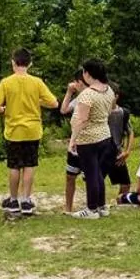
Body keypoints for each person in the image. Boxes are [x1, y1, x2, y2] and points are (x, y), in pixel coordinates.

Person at [0, 48, 58, 217]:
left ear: (13, 62)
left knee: (14, 166)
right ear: (30, 63)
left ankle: (13, 200)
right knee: (29, 165)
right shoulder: (36, 82)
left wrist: (3, 109)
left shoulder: (6, 82)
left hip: (13, 130)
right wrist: (38, 102)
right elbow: (54, 103)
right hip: (33, 130)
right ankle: (26, 200)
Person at [67, 58, 117, 219]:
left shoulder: (87, 94)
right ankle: (102, 206)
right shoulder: (108, 90)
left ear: (87, 74)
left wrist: (73, 139)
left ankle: (91, 209)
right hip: (104, 135)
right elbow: (109, 111)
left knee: (91, 174)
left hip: (88, 139)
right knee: (98, 173)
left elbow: (81, 119)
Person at [57, 78, 83, 214]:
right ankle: (68, 207)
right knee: (70, 176)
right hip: (75, 144)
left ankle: (92, 205)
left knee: (90, 177)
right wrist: (69, 92)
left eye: (76, 81)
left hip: (87, 143)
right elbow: (63, 109)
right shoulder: (77, 99)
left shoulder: (92, 96)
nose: (74, 84)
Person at [107, 84, 135, 205]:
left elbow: (130, 132)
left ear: (116, 96)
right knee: (95, 180)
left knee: (125, 183)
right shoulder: (99, 111)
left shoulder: (123, 113)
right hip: (100, 150)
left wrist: (127, 151)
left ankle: (120, 204)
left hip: (117, 152)